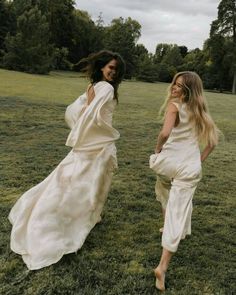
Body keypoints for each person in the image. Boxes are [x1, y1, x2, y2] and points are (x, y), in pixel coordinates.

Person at [8, 50, 125, 270]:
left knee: (79, 182)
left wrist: (81, 135)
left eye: (116, 70)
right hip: (96, 146)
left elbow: (76, 111)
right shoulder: (106, 88)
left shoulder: (93, 87)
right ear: (102, 66)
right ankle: (72, 220)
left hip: (90, 143)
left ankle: (92, 215)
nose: (113, 72)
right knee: (92, 183)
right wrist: (82, 137)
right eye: (110, 67)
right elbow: (89, 114)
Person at [149, 71, 219, 291]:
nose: (174, 88)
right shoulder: (200, 110)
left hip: (168, 163)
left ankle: (166, 246)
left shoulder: (174, 105)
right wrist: (197, 160)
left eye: (179, 86)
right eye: (174, 83)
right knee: (178, 207)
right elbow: (212, 143)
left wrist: (157, 149)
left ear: (188, 90)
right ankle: (162, 265)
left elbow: (165, 132)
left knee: (164, 188)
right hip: (189, 168)